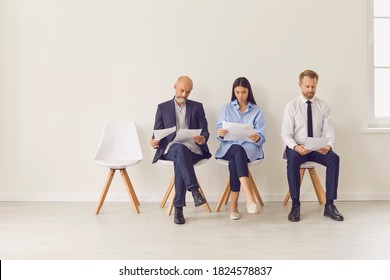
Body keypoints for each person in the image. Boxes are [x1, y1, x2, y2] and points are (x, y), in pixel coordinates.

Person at [281, 69, 344, 222]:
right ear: (300, 85)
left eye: (313, 87)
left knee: (334, 159)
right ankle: (295, 205)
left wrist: (328, 146)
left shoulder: (323, 106)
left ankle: (329, 205)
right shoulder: (292, 107)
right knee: (293, 161)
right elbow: (285, 134)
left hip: (317, 147)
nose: (310, 90)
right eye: (307, 86)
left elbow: (329, 132)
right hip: (298, 147)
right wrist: (296, 147)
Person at [150, 76, 211, 225]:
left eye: (188, 92)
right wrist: (154, 141)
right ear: (175, 87)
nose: (184, 94)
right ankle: (194, 191)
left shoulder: (197, 107)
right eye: (182, 90)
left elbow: (205, 131)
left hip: (193, 149)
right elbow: (156, 133)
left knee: (181, 156)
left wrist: (202, 138)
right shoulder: (162, 107)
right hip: (171, 148)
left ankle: (179, 208)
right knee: (178, 149)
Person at [215, 77, 266, 220]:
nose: (240, 95)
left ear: (249, 92)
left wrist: (257, 137)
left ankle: (234, 207)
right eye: (237, 92)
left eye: (243, 92)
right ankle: (249, 198)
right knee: (236, 149)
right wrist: (221, 133)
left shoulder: (257, 111)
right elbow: (220, 131)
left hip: (249, 149)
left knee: (235, 161)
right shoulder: (226, 108)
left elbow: (262, 136)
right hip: (228, 147)